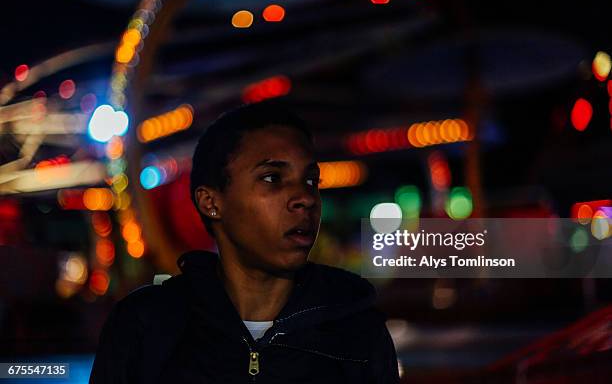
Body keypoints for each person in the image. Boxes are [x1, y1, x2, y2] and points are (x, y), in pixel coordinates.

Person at [89, 98, 401, 383]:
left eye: (310, 180)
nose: (304, 198)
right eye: (272, 178)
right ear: (211, 202)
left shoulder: (358, 333)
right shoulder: (146, 326)